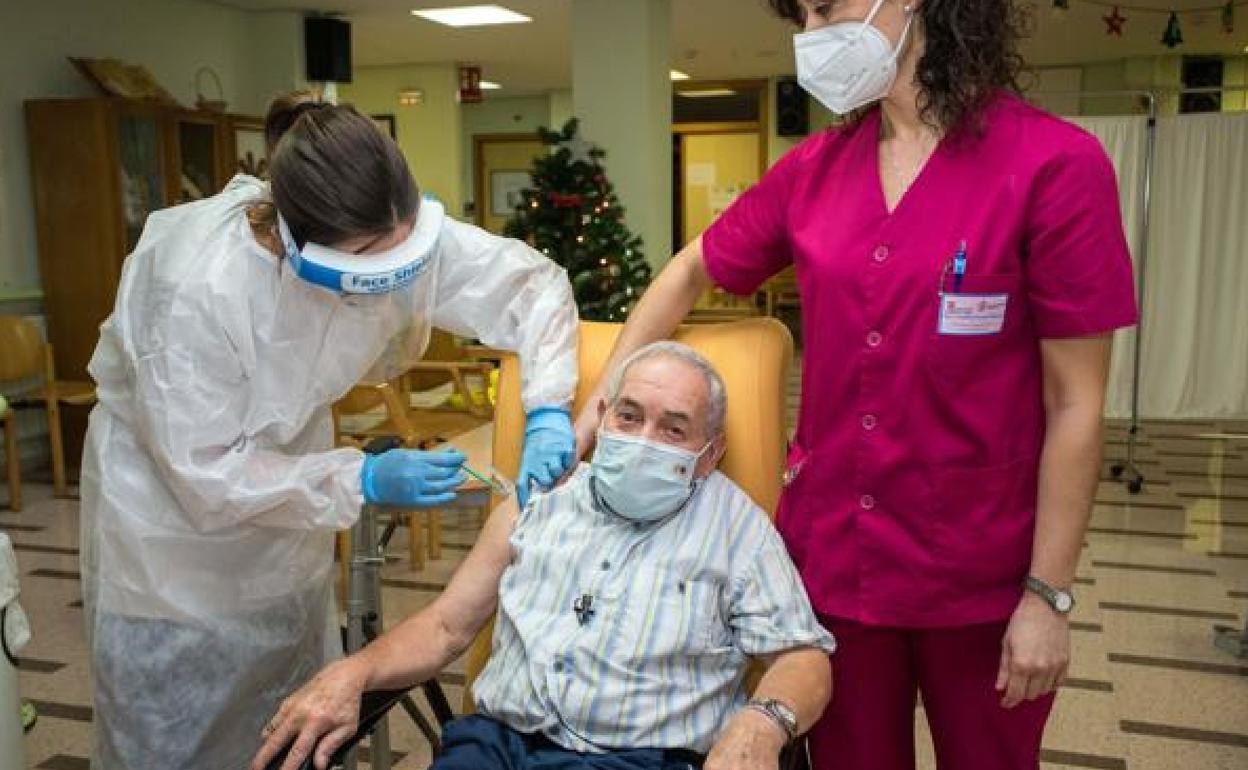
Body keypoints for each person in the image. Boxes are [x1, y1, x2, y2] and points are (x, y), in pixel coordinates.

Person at [570, 2, 1139, 769]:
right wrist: (603, 397)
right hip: (837, 561)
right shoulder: (817, 168)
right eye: (799, 13)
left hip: (981, 567)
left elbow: (1077, 404)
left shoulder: (1053, 164)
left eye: (827, 5)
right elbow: (690, 268)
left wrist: (1049, 594)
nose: (811, 30)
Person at [79, 93, 578, 770]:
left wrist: (549, 406)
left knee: (291, 704)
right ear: (299, 240)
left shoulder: (391, 225)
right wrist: (360, 477)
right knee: (177, 732)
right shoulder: (198, 287)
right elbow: (205, 472)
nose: (396, 269)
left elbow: (529, 288)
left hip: (285, 503)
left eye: (406, 244)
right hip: (171, 542)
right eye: (372, 255)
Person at [252, 342, 836, 770]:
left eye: (673, 429)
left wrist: (765, 723)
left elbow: (803, 658)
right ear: (602, 416)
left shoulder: (737, 528)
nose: (641, 439)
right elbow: (445, 626)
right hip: (496, 747)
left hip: (640, 759)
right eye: (629, 416)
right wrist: (353, 673)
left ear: (710, 454)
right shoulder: (541, 499)